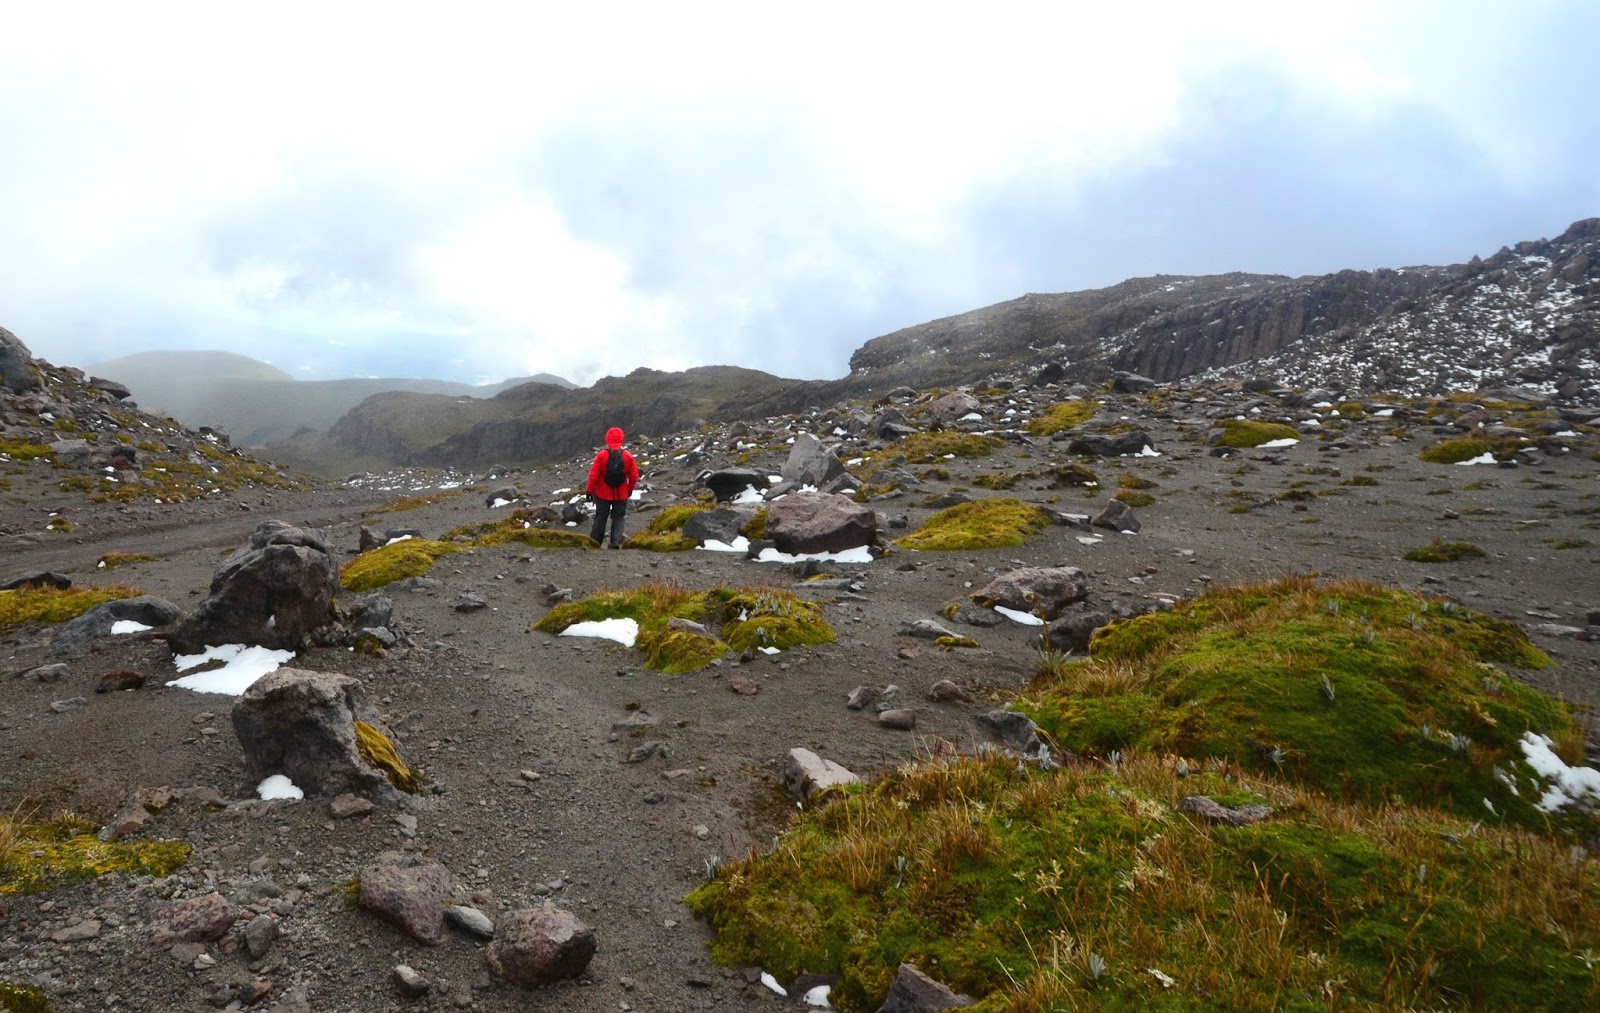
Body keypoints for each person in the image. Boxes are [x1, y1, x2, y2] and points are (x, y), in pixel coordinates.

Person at [586, 426, 639, 548]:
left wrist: (589, 491)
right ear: (621, 439)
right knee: (618, 518)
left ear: (607, 439)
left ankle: (595, 542)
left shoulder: (602, 455)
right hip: (621, 494)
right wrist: (629, 489)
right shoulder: (628, 456)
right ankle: (615, 541)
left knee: (600, 517)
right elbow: (634, 476)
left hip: (602, 494)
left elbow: (593, 475)